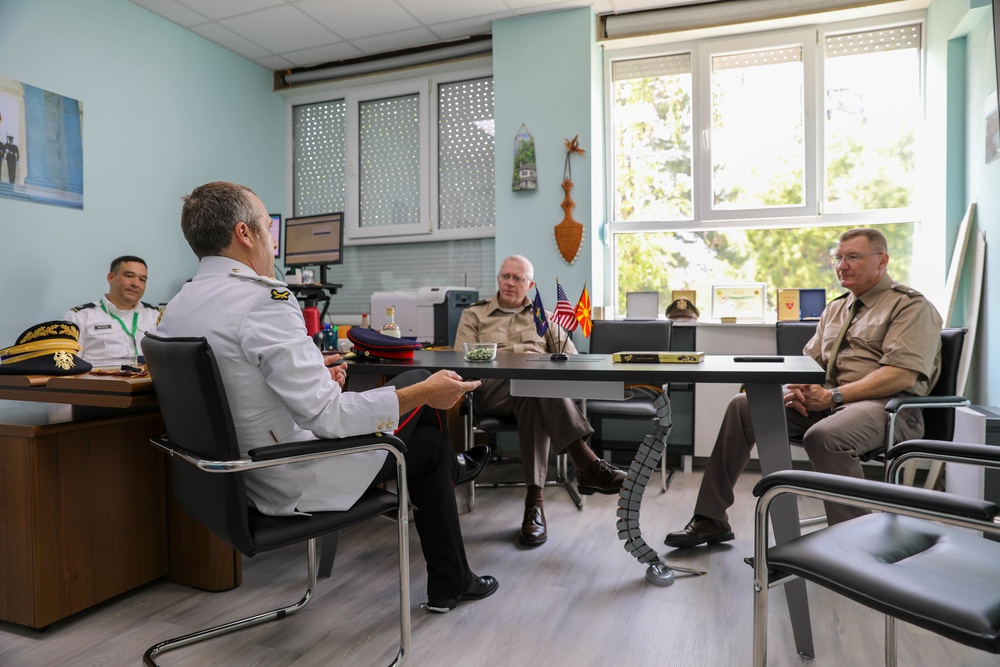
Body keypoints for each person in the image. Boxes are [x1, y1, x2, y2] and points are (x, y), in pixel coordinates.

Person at [155, 181, 497, 613]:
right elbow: (328, 419)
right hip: (289, 479)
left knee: (426, 447)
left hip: (231, 478)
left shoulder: (178, 306)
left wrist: (312, 374)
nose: (273, 241)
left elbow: (238, 384)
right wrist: (428, 393)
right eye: (267, 226)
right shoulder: (264, 301)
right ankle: (455, 495)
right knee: (420, 382)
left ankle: (453, 577)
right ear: (245, 234)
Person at [664, 227, 944, 548]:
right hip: (831, 405)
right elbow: (809, 364)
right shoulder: (836, 308)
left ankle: (861, 541)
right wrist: (793, 388)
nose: (842, 265)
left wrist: (832, 396)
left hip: (887, 408)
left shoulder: (909, 306)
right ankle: (710, 518)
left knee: (824, 437)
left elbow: (901, 375)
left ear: (882, 261)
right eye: (838, 258)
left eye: (853, 257)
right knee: (744, 407)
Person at [454, 255, 627, 547]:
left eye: (518, 278)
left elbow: (571, 358)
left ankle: (534, 506)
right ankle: (587, 464)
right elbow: (462, 360)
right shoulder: (475, 314)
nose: (510, 282)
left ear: (530, 284)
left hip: (532, 393)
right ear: (498, 279)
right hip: (492, 391)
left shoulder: (544, 316)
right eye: (505, 276)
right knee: (534, 384)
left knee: (533, 391)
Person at [63, 255, 161, 365]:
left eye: (142, 280)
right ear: (111, 278)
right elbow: (69, 365)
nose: (136, 284)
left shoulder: (156, 315)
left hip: (149, 380)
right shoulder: (80, 316)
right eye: (129, 276)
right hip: (100, 380)